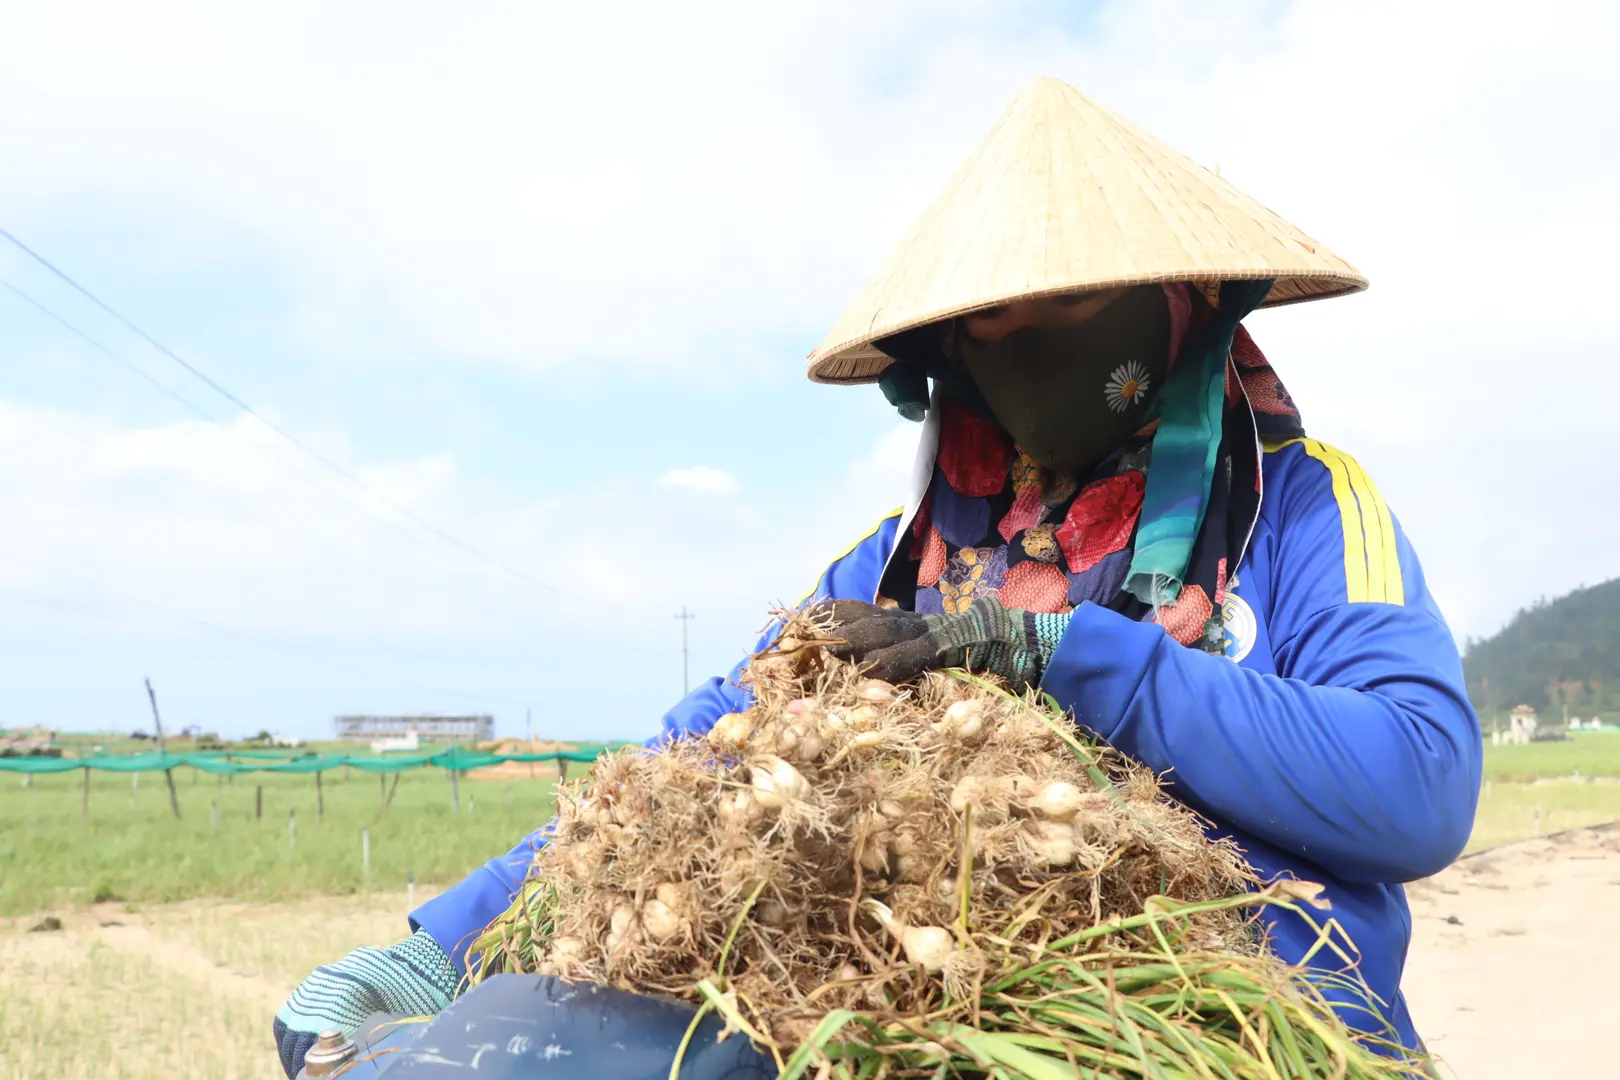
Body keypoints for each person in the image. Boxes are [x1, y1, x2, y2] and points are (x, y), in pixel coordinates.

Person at [274, 77, 1481, 1076]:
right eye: (988, 329)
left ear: (1175, 311)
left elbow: (1419, 786)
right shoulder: (899, 567)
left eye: (1060, 311)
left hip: (1234, 1026)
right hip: (945, 1026)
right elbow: (690, 768)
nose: (1021, 355)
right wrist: (453, 937)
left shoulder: (1303, 507)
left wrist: (1074, 659)